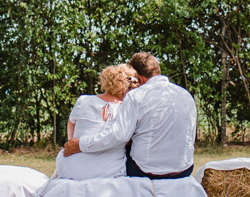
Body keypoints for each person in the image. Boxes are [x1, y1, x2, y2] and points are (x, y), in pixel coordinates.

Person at [62, 51, 196, 180]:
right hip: (184, 169)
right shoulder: (185, 95)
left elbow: (119, 136)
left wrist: (81, 144)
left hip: (147, 171)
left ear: (140, 77)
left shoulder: (136, 96)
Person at [50, 63, 139, 180]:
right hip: (108, 172)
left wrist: (72, 142)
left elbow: (71, 122)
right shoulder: (127, 110)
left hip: (72, 167)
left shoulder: (84, 100)